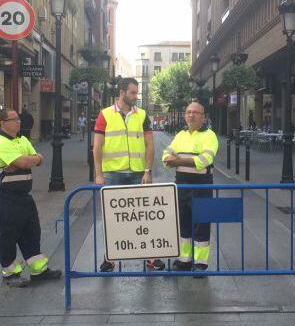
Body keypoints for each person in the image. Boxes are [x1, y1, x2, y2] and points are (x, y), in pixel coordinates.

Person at [92, 78, 161, 272]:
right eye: (132, 93)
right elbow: (97, 147)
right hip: (113, 173)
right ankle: (110, 257)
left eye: (136, 93)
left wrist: (147, 171)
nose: (135, 97)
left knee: (144, 216)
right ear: (122, 93)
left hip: (138, 173)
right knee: (113, 217)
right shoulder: (105, 114)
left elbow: (150, 145)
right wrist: (99, 175)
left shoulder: (142, 115)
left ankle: (151, 257)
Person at [0, 108, 61, 286]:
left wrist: (29, 160)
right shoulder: (0, 143)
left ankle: (38, 271)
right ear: (3, 123)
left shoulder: (23, 140)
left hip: (24, 197)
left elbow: (39, 159)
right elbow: (24, 162)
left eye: (18, 119)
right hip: (6, 197)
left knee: (32, 233)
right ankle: (10, 274)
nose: (19, 122)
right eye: (14, 119)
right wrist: (28, 160)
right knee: (7, 235)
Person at [162, 102, 218, 274]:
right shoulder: (180, 135)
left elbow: (204, 161)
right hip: (182, 184)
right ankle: (184, 260)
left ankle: (200, 263)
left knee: (202, 223)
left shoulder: (210, 136)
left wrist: (177, 161)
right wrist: (185, 161)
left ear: (203, 116)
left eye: (195, 112)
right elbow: (165, 157)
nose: (191, 115)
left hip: (202, 185)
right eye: (188, 112)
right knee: (183, 222)